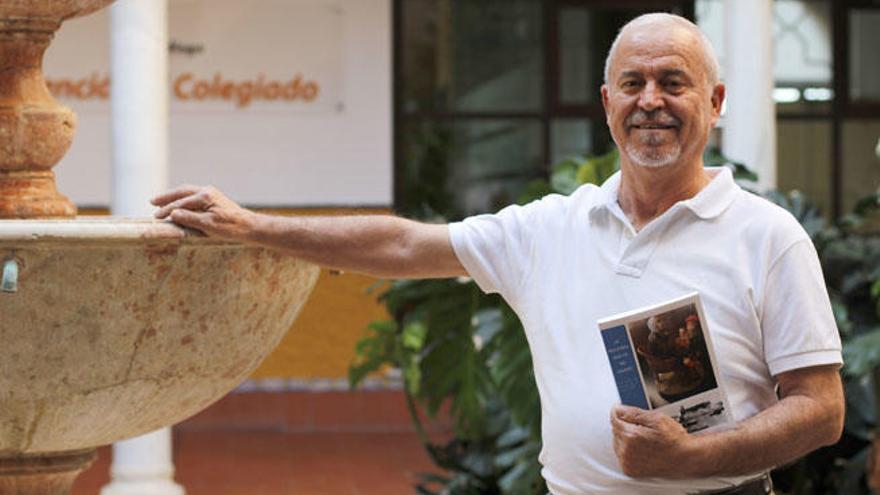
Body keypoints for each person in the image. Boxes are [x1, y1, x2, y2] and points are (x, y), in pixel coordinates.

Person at [152, 13, 844, 495]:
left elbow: (819, 408)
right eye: (633, 83)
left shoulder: (768, 235)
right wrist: (253, 224)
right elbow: (402, 242)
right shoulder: (549, 229)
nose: (651, 101)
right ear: (607, 102)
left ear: (715, 100)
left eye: (674, 81)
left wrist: (696, 456)